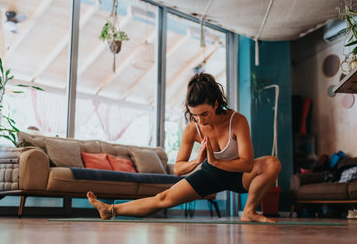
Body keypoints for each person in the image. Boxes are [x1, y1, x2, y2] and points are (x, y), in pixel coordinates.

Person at [87, 73, 281, 222]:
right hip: (210, 174)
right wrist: (198, 161)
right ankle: (110, 210)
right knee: (163, 198)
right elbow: (179, 168)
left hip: (238, 175)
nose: (200, 120)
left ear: (215, 104)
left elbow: (247, 164)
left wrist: (216, 161)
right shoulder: (192, 129)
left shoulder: (237, 121)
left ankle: (248, 212)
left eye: (204, 114)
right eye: (194, 114)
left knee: (272, 164)